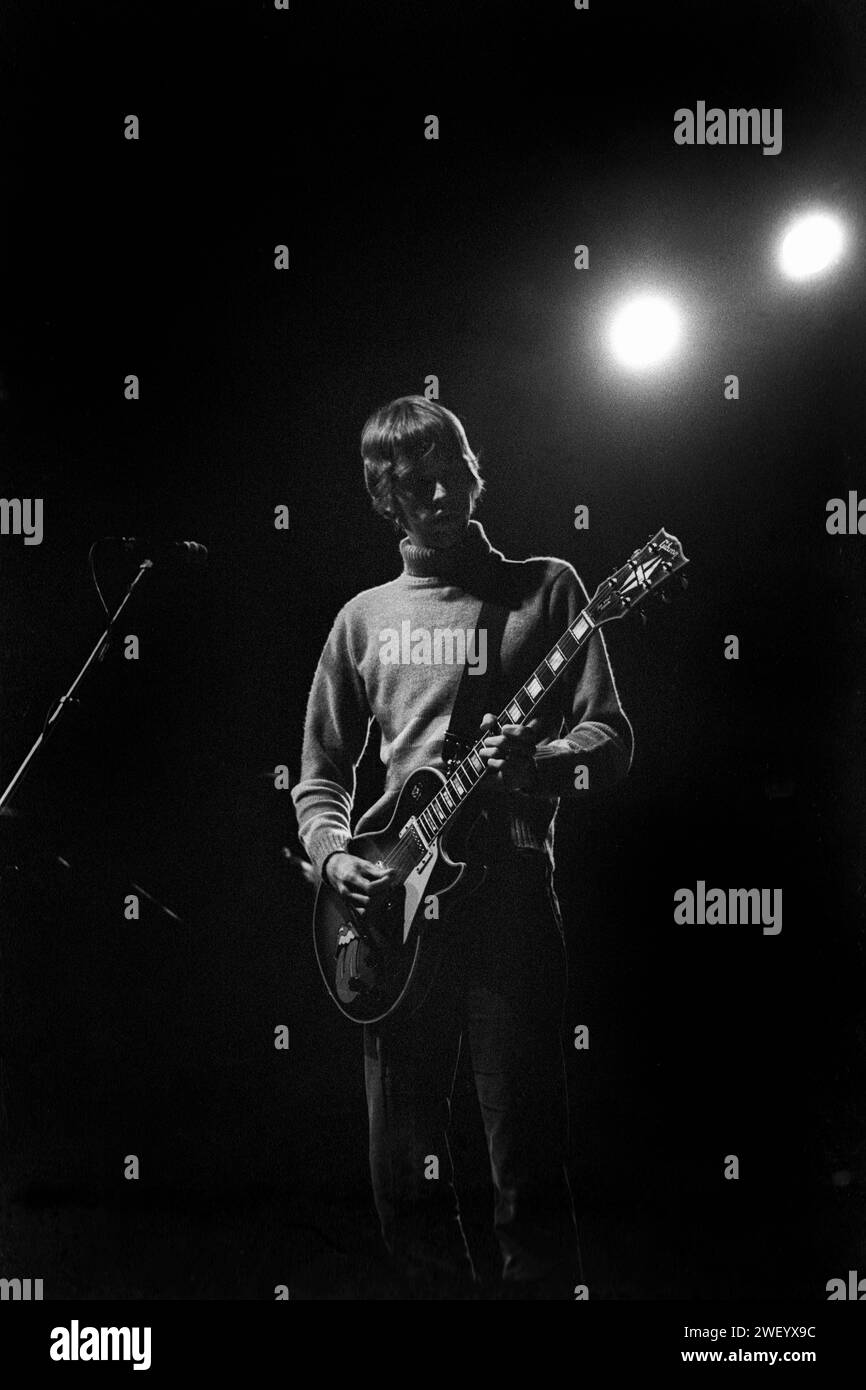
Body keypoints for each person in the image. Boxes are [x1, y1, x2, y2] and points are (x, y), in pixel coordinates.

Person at [291, 395, 634, 1299]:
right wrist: (336, 859)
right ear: (386, 499)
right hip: (390, 914)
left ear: (475, 469)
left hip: (510, 901)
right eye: (415, 480)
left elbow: (610, 737)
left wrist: (542, 761)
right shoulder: (361, 620)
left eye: (453, 467)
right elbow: (320, 777)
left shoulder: (551, 587)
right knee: (401, 1179)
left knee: (526, 1169)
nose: (442, 489)